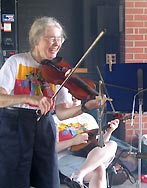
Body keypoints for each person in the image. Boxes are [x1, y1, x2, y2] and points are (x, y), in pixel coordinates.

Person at [0, 16, 101, 188]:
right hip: (15, 127)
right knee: (15, 181)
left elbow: (61, 113)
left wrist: (84, 107)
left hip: (45, 128)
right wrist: (29, 98)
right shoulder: (16, 62)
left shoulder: (59, 72)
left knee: (49, 182)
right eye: (52, 38)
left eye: (60, 39)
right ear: (37, 40)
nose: (57, 44)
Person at [54, 96, 119, 188]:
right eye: (71, 97)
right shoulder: (54, 120)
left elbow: (99, 145)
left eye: (77, 96)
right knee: (98, 168)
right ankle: (80, 174)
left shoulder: (88, 118)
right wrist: (73, 141)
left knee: (112, 144)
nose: (75, 99)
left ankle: (79, 174)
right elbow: (49, 149)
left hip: (91, 155)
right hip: (65, 158)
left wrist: (108, 132)